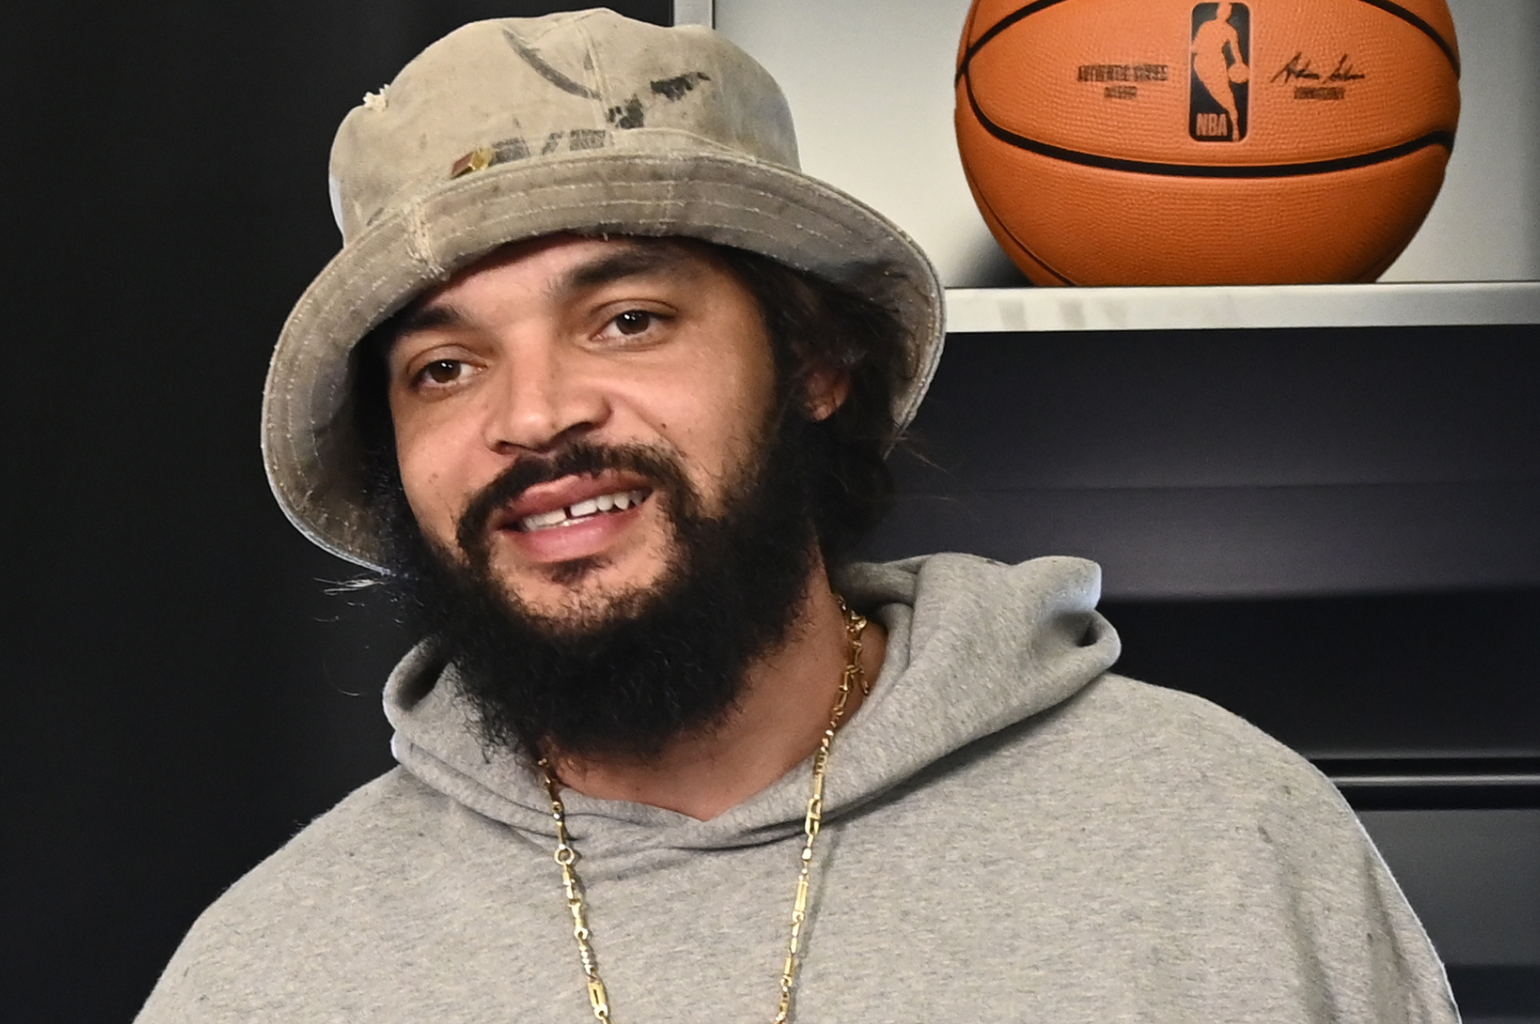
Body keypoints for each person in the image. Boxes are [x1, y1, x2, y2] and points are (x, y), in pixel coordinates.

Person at [135, 10, 1455, 1023]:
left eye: (629, 318)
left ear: (818, 362)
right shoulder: (272, 974)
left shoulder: (1221, 848)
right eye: (445, 366)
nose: (532, 416)